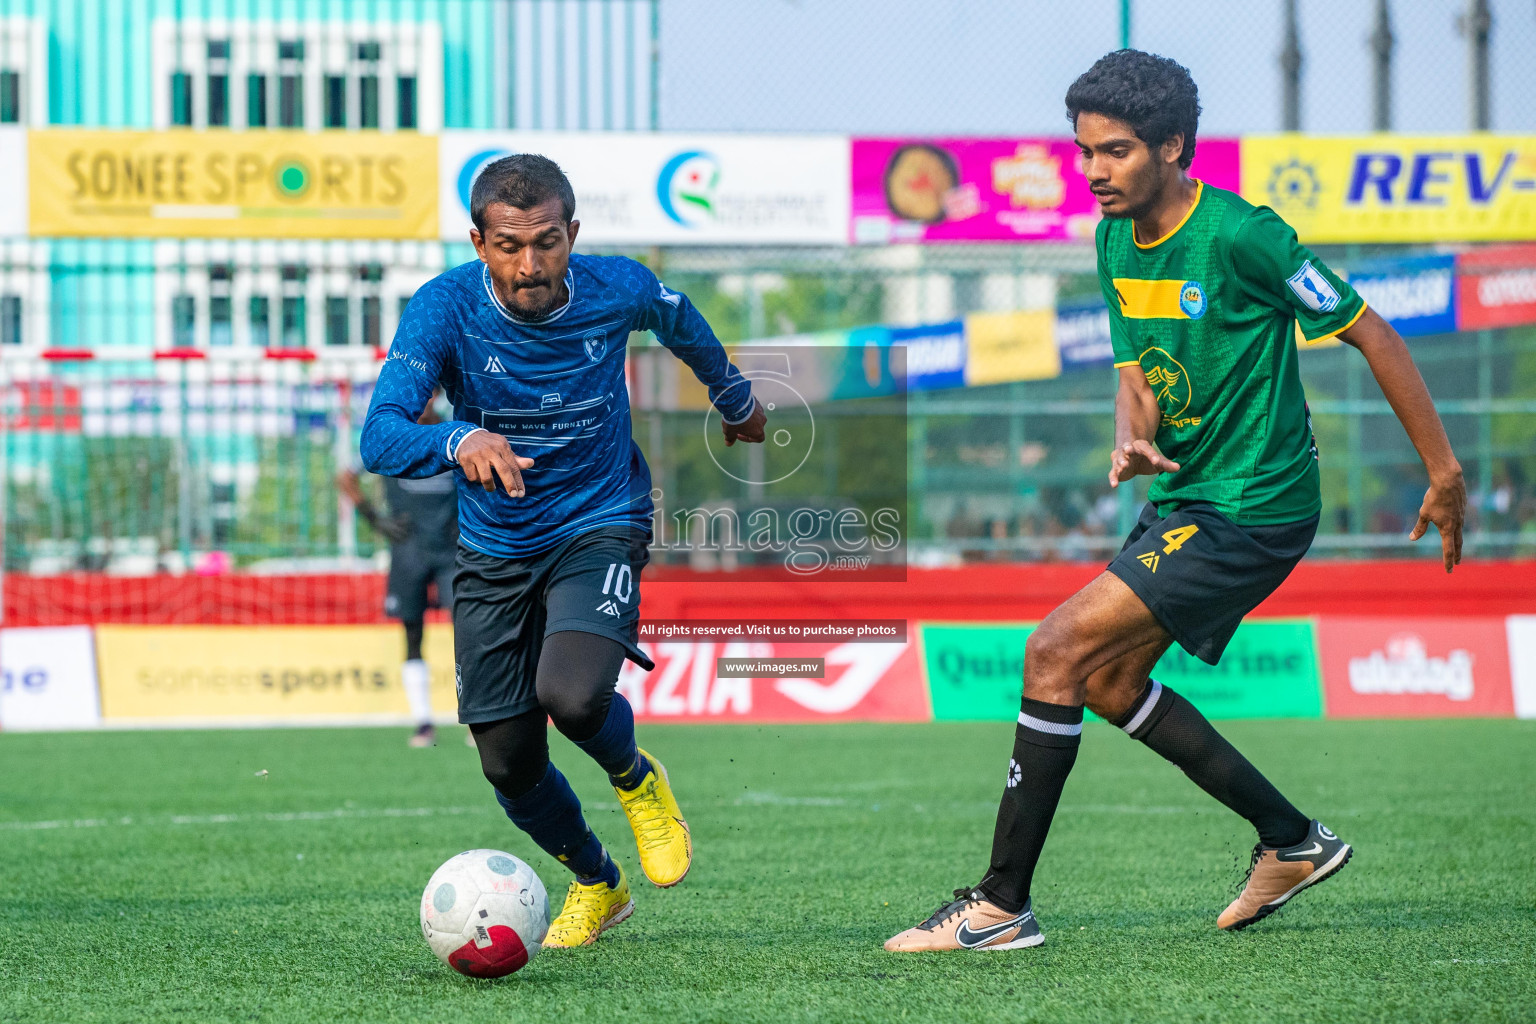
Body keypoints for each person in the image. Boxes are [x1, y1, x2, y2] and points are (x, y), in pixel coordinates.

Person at [885, 49, 1466, 952]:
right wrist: (1133, 432)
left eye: (1113, 152)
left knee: (1054, 649)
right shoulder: (1112, 237)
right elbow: (1135, 369)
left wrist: (1443, 471)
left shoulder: (1243, 236)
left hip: (1256, 502)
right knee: (1109, 680)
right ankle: (1291, 841)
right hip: (1191, 492)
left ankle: (1000, 906)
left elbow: (1372, 332)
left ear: (1173, 146)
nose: (1093, 172)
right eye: (1083, 152)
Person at [359, 154, 767, 947]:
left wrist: (735, 398)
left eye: (547, 242)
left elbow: (679, 318)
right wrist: (459, 435)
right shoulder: (441, 310)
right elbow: (379, 433)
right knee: (507, 762)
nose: (530, 264)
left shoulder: (616, 286)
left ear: (573, 234)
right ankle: (598, 882)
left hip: (598, 519)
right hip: (493, 545)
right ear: (479, 241)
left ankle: (636, 778)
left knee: (574, 697)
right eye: (509, 245)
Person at [338, 392, 463, 749]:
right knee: (411, 633)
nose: (420, 400)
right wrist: (375, 519)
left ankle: (474, 716)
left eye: (427, 394)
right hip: (408, 551)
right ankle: (423, 721)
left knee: (468, 631)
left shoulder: (456, 433)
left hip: (452, 552)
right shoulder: (391, 434)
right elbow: (345, 477)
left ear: (438, 395)